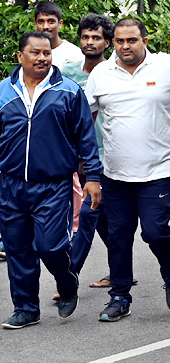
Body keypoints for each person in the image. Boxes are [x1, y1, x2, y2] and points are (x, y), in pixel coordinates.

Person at [85, 17, 170, 322]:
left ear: (145, 39)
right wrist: (87, 167)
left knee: (155, 233)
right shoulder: (101, 74)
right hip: (114, 172)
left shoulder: (168, 66)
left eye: (131, 40)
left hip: (158, 169)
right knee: (118, 236)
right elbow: (85, 121)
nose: (125, 46)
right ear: (112, 42)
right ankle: (119, 296)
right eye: (119, 41)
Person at [0, 32, 101, 328]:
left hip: (54, 185)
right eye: (35, 53)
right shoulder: (4, 92)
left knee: (50, 246)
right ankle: (26, 308)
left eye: (46, 53)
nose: (42, 58)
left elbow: (86, 137)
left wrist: (92, 177)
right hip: (10, 185)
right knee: (18, 249)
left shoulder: (68, 91)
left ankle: (67, 282)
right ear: (21, 56)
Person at [61, 14, 114, 283]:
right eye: (85, 37)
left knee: (88, 214)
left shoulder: (114, 73)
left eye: (96, 38)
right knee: (102, 219)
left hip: (105, 157)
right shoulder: (66, 75)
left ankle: (70, 276)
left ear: (107, 42)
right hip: (74, 157)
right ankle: (119, 271)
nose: (90, 42)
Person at [35, 1, 84, 67]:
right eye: (41, 22)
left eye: (51, 21)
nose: (45, 26)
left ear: (60, 24)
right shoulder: (30, 53)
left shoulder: (75, 54)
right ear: (35, 24)